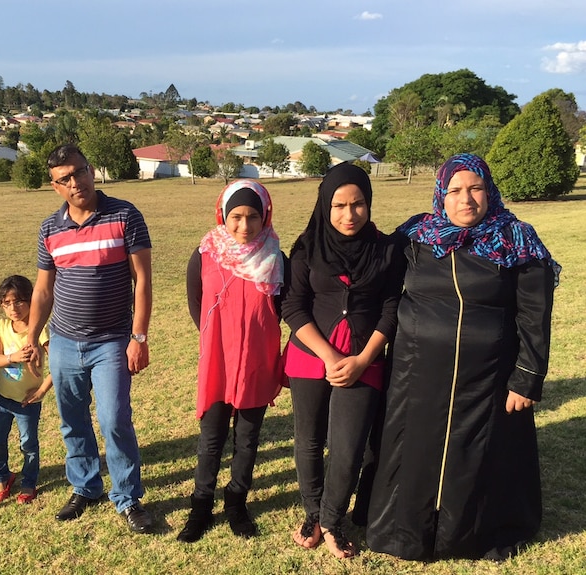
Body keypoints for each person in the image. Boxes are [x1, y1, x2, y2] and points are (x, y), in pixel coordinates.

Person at [366, 153, 559, 561]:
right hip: (415, 374)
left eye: (475, 188)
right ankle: (405, 533)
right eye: (455, 190)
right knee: (413, 453)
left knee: (478, 455)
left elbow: (534, 316)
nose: (465, 199)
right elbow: (372, 272)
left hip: (489, 378)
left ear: (489, 191)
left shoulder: (516, 240)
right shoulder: (417, 235)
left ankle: (471, 535)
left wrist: (526, 377)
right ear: (441, 195)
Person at [26, 143, 155, 534]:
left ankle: (128, 497)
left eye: (79, 172)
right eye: (64, 179)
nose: (74, 182)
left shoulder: (124, 215)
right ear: (55, 187)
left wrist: (139, 336)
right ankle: (85, 486)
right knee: (72, 420)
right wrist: (33, 335)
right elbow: (44, 290)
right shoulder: (51, 228)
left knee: (114, 419)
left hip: (113, 340)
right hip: (63, 341)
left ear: (91, 170)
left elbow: (143, 280)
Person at [281, 163, 404, 559]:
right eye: (339, 205)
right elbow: (293, 307)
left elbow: (391, 307)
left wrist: (363, 358)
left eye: (358, 204)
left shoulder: (386, 250)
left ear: (369, 203)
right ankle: (314, 515)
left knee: (349, 447)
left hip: (363, 359)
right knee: (309, 440)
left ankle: (334, 520)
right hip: (311, 355)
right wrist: (331, 356)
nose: (349, 215)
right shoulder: (306, 248)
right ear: (324, 204)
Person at [177, 180, 286, 543]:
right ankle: (201, 505)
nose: (244, 226)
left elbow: (283, 308)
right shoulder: (206, 253)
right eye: (236, 216)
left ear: (265, 215)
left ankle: (236, 501)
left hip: (257, 359)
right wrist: (217, 340)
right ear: (223, 215)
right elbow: (196, 301)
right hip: (218, 362)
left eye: (253, 217)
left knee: (248, 438)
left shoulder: (275, 257)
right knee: (211, 438)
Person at [0, 275, 53, 506]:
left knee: (28, 444)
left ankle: (28, 482)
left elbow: (57, 364)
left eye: (19, 302)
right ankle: (2, 479)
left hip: (28, 402)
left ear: (31, 301)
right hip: (1, 398)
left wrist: (41, 391)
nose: (13, 308)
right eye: (6, 303)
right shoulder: (1, 326)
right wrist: (12, 358)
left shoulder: (40, 330)